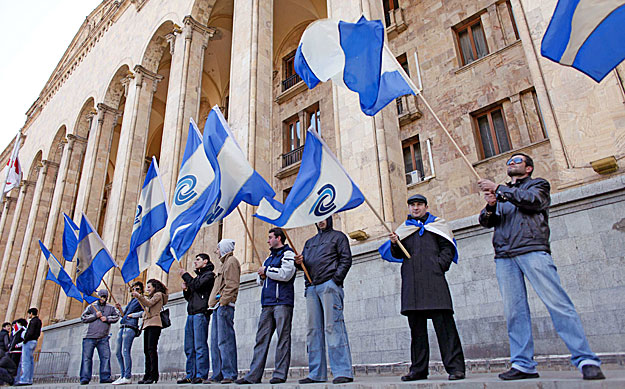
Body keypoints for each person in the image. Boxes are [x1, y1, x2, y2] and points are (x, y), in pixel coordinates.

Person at [478, 153, 605, 381]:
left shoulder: (538, 185)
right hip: (505, 256)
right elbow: (486, 221)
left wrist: (499, 189)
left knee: (557, 303)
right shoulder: (502, 194)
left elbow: (534, 202)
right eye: (508, 162)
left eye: (517, 161)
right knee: (514, 312)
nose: (511, 164)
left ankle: (585, 358)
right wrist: (490, 206)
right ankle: (523, 364)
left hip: (532, 250)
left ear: (528, 168)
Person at [388, 194, 465, 381]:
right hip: (412, 285)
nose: (416, 208)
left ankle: (455, 368)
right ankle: (418, 370)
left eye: (419, 205)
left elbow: (448, 248)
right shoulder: (404, 230)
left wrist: (439, 265)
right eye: (412, 205)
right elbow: (397, 254)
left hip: (434, 281)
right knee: (417, 331)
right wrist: (394, 242)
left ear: (425, 206)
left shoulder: (437, 226)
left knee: (445, 328)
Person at [294, 216, 354, 384]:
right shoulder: (309, 242)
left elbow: (346, 259)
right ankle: (316, 373)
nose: (321, 221)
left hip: (329, 285)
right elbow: (305, 264)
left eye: (324, 218)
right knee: (313, 331)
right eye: (318, 218)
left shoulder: (339, 237)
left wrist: (335, 280)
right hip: (312, 288)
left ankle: (343, 371)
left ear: (329, 218)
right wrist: (298, 263)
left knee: (333, 327)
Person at [235, 228, 296, 385]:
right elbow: (259, 280)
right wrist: (262, 275)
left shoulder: (288, 254)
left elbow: (286, 274)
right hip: (267, 303)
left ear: (279, 238)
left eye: (270, 237)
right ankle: (253, 375)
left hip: (282, 302)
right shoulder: (268, 258)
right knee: (261, 340)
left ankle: (280, 374)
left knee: (283, 338)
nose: (268, 240)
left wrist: (267, 271)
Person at [177, 253, 215, 385]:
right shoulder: (198, 277)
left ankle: (201, 374)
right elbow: (191, 297)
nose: (195, 262)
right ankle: (190, 374)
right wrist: (186, 290)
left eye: (198, 259)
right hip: (191, 313)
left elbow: (198, 286)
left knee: (200, 345)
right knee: (189, 346)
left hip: (200, 313)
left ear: (205, 261)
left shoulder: (209, 275)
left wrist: (185, 276)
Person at [207, 239, 241, 384]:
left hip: (224, 306)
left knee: (225, 341)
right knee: (215, 342)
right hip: (217, 307)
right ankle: (218, 373)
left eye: (218, 248)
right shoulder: (224, 263)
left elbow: (232, 284)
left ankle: (229, 373)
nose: (216, 251)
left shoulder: (231, 261)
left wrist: (223, 302)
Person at [79, 289, 119, 385]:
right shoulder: (92, 306)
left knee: (105, 357)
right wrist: (95, 315)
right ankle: (85, 377)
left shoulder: (110, 308)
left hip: (103, 337)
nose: (102, 298)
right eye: (101, 296)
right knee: (87, 358)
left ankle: (105, 377)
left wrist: (107, 318)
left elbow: (116, 317)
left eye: (104, 297)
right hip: (89, 337)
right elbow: (83, 318)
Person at [133, 279, 168, 384]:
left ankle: (153, 375)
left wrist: (139, 296)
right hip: (147, 324)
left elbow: (149, 304)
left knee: (151, 350)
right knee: (146, 351)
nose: (147, 289)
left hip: (154, 324)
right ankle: (147, 374)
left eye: (149, 287)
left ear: (154, 287)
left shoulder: (158, 295)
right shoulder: (151, 296)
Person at [112, 281, 145, 385]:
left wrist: (132, 315)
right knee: (117, 352)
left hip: (130, 327)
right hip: (123, 326)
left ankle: (127, 376)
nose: (135, 291)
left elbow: (144, 312)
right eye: (133, 289)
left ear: (141, 291)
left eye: (137, 289)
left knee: (125, 351)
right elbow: (124, 315)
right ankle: (122, 375)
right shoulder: (131, 301)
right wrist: (120, 309)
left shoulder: (141, 300)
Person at [14, 308, 42, 386]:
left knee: (25, 361)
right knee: (30, 361)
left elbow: (30, 332)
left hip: (29, 341)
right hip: (35, 341)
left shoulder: (33, 321)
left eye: (29, 314)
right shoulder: (39, 321)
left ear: (31, 313)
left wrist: (25, 339)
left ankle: (24, 379)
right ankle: (29, 379)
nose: (28, 315)